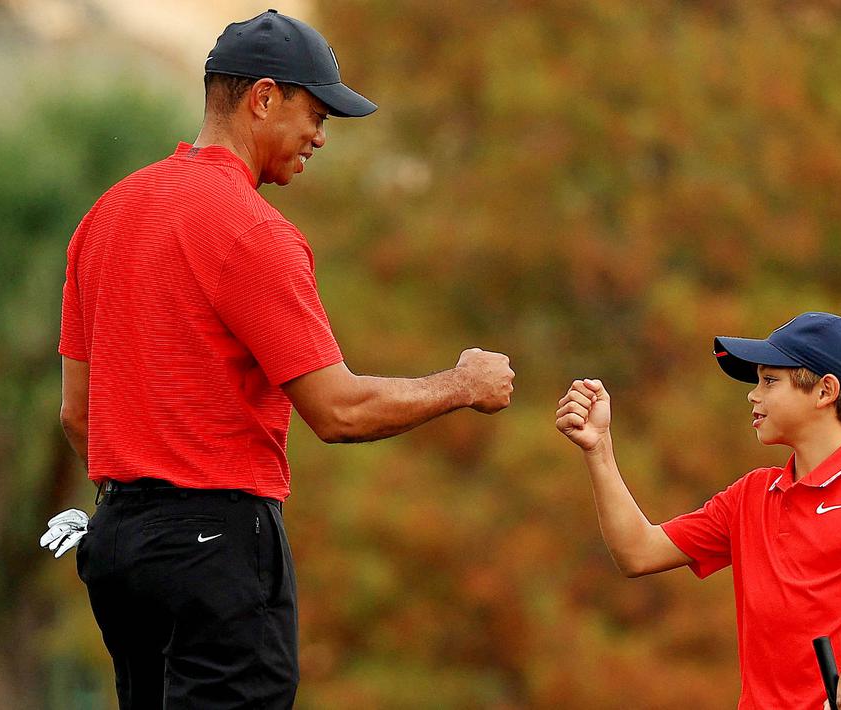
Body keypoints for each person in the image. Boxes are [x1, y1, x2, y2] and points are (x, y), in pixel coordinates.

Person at [53, 11, 514, 709]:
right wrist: (462, 384)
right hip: (214, 543)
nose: (321, 137)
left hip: (119, 547)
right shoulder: (252, 231)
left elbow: (76, 414)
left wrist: (144, 509)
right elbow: (338, 411)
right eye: (316, 114)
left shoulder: (107, 215)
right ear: (262, 98)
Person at [555, 312, 841, 710]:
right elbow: (638, 553)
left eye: (769, 381)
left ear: (825, 391)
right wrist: (599, 448)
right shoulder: (751, 495)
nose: (752, 395)